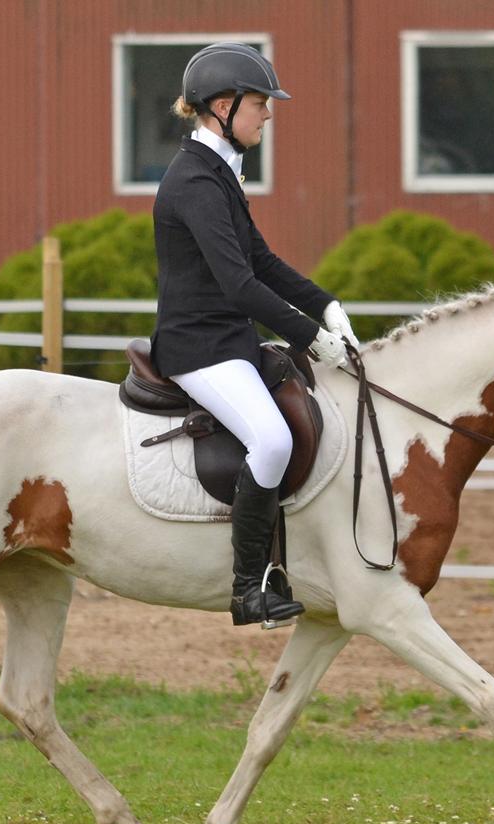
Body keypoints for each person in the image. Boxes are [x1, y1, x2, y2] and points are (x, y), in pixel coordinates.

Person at [151, 41, 358, 627]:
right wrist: (311, 336)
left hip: (228, 341)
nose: (268, 113)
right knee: (271, 441)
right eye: (260, 103)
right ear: (223, 107)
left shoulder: (218, 172)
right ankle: (249, 587)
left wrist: (326, 304)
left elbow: (260, 260)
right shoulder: (195, 181)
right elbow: (240, 286)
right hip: (199, 347)